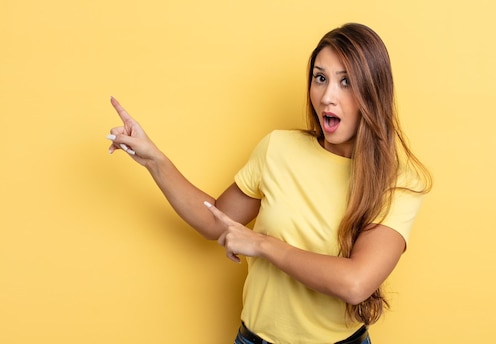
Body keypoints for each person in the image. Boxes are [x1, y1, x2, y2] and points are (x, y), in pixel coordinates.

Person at [106, 22, 431, 344]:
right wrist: (154, 159)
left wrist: (261, 244)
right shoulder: (278, 149)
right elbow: (215, 220)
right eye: (320, 78)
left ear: (373, 91)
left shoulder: (399, 180)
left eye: (346, 82)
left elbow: (356, 283)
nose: (328, 96)